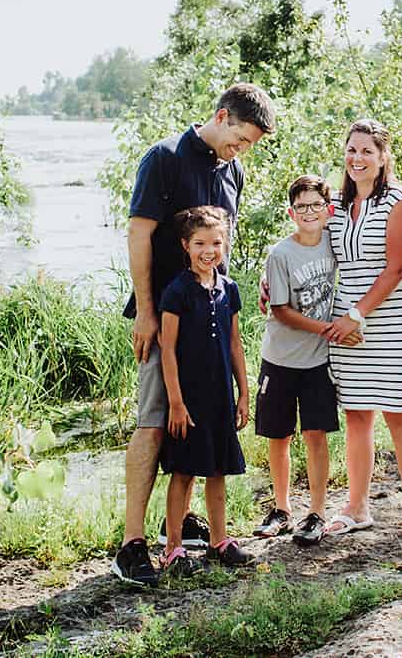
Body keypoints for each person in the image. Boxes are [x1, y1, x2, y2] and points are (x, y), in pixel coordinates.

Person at [113, 83, 275, 587]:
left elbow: (220, 244)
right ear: (221, 116)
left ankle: (179, 524)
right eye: (239, 139)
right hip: (164, 317)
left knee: (201, 421)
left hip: (209, 317)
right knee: (154, 421)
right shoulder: (163, 159)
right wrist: (145, 311)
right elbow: (140, 234)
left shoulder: (233, 170)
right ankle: (132, 544)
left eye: (249, 146)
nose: (240, 151)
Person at [321, 119, 402, 539]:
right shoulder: (335, 202)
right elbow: (313, 245)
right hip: (349, 326)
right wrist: (271, 281)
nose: (357, 158)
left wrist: (358, 313)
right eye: (352, 149)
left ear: (384, 157)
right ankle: (357, 507)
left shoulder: (399, 200)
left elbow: (397, 269)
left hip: (391, 321)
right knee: (356, 415)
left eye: (367, 151)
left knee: (400, 415)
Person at [156, 205, 255, 575]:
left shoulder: (229, 289)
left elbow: (235, 344)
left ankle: (219, 542)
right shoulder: (177, 291)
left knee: (218, 470)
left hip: (220, 398)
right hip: (189, 400)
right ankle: (173, 549)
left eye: (216, 242)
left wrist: (243, 393)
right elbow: (167, 350)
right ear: (186, 245)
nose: (208, 250)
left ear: (224, 244)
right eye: (200, 243)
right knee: (183, 471)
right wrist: (176, 403)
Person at [252, 175, 339, 548]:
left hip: (317, 363)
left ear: (328, 210)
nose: (309, 212)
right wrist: (327, 329)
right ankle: (281, 508)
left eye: (316, 205)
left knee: (316, 435)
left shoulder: (335, 242)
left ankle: (317, 512)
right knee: (279, 436)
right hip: (280, 359)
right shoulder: (281, 254)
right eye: (301, 206)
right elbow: (281, 310)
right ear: (291, 213)